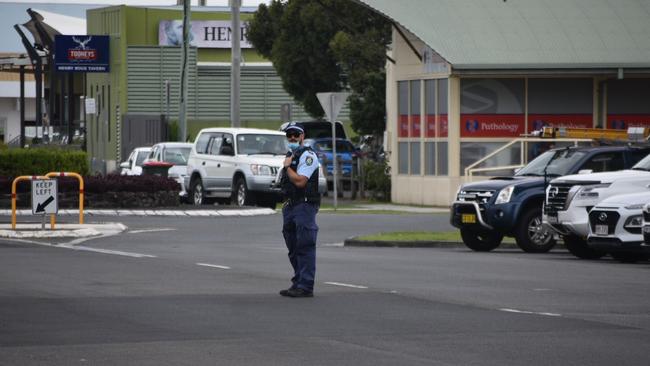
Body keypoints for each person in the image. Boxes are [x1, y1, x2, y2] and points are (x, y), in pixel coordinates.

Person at [279, 122, 321, 298]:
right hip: (291, 206)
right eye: (289, 135)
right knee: (293, 246)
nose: (293, 138)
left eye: (296, 134)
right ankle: (298, 281)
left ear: (302, 136)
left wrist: (288, 167)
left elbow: (301, 181)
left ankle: (305, 285)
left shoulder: (308, 156)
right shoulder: (291, 155)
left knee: (304, 245)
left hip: (304, 206)